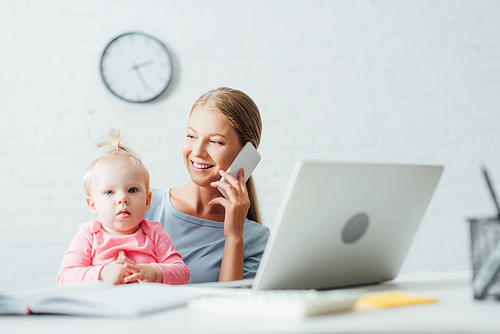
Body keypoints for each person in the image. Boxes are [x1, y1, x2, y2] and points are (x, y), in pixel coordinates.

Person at [145, 87, 270, 283]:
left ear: (246, 153)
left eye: (215, 141)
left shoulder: (254, 238)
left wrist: (234, 237)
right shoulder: (143, 205)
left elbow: (230, 307)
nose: (197, 151)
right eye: (191, 136)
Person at [57, 129, 190, 285]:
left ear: (147, 200)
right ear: (92, 205)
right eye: (109, 192)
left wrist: (154, 272)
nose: (123, 199)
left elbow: (182, 273)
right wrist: (101, 273)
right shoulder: (89, 235)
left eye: (132, 190)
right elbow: (64, 278)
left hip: (147, 306)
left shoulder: (154, 233)